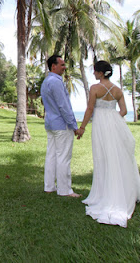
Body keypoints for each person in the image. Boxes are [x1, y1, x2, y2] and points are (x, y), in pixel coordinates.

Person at [76, 60, 140, 227]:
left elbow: (89, 109)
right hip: (114, 125)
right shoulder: (117, 90)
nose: (93, 74)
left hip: (100, 125)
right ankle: (116, 190)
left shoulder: (95, 88)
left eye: (95, 71)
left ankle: (103, 195)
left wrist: (82, 127)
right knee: (117, 156)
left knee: (102, 157)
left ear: (100, 73)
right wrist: (112, 117)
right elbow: (123, 111)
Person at [40, 55, 81, 198]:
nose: (64, 68)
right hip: (61, 124)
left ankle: (49, 186)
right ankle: (65, 190)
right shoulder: (56, 82)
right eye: (62, 65)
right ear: (53, 66)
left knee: (51, 155)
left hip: (50, 123)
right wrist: (74, 126)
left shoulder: (46, 82)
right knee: (63, 156)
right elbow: (64, 106)